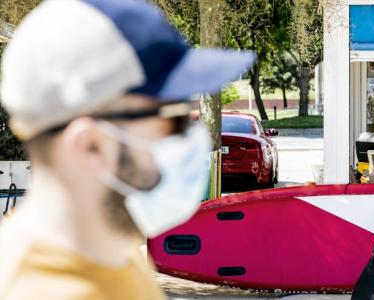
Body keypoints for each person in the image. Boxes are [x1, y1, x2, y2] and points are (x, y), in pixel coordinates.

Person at [0, 0, 254, 299]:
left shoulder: (112, 255)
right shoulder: (37, 290)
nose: (192, 136)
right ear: (90, 146)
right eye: (172, 119)